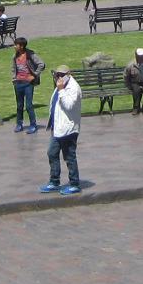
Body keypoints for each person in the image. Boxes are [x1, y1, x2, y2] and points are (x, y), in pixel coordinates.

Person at [41, 64, 82, 195]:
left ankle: (74, 183)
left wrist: (61, 90)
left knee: (69, 156)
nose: (58, 77)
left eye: (61, 75)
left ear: (69, 75)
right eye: (56, 74)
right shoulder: (60, 86)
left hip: (68, 129)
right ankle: (54, 181)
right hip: (58, 128)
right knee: (52, 153)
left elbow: (69, 105)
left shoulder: (72, 88)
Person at [10, 38, 45, 134]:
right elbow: (13, 68)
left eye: (16, 45)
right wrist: (14, 79)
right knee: (19, 105)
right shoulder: (15, 56)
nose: (14, 46)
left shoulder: (30, 55)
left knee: (29, 105)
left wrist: (34, 75)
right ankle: (19, 124)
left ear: (21, 46)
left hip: (28, 84)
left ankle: (33, 125)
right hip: (18, 83)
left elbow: (41, 64)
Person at [125, 47, 143, 115]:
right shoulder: (131, 65)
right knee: (136, 90)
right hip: (135, 82)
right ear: (136, 56)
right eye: (140, 56)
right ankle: (136, 108)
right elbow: (126, 76)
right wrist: (129, 86)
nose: (142, 57)